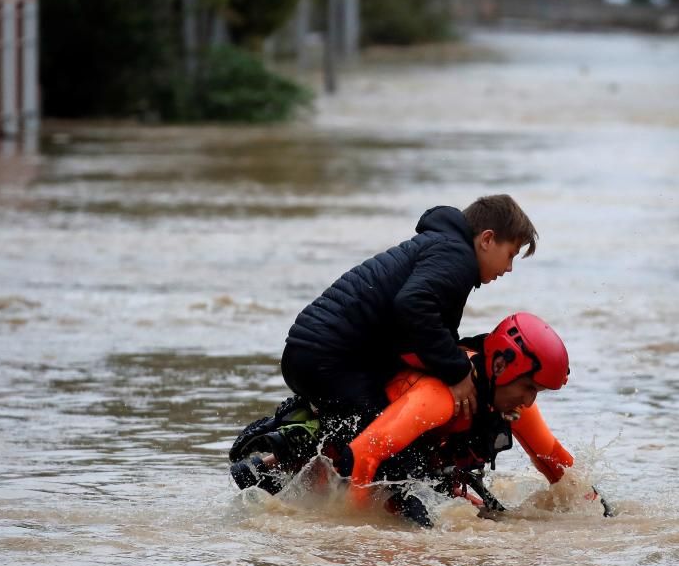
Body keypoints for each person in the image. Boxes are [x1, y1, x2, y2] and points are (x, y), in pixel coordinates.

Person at [231, 313, 608, 526]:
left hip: (413, 467)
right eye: (528, 388)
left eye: (537, 393)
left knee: (490, 520)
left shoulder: (510, 400)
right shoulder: (438, 399)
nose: (529, 400)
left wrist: (602, 512)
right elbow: (363, 455)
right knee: (425, 522)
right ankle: (270, 463)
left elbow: (554, 462)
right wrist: (359, 529)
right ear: (498, 366)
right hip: (358, 459)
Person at [281, 194, 538, 449]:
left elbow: (430, 329)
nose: (509, 268)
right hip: (327, 359)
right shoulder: (456, 257)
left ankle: (275, 461)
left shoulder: (445, 248)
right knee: (392, 447)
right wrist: (457, 372)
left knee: (371, 436)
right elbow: (413, 305)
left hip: (313, 354)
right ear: (487, 239)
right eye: (511, 254)